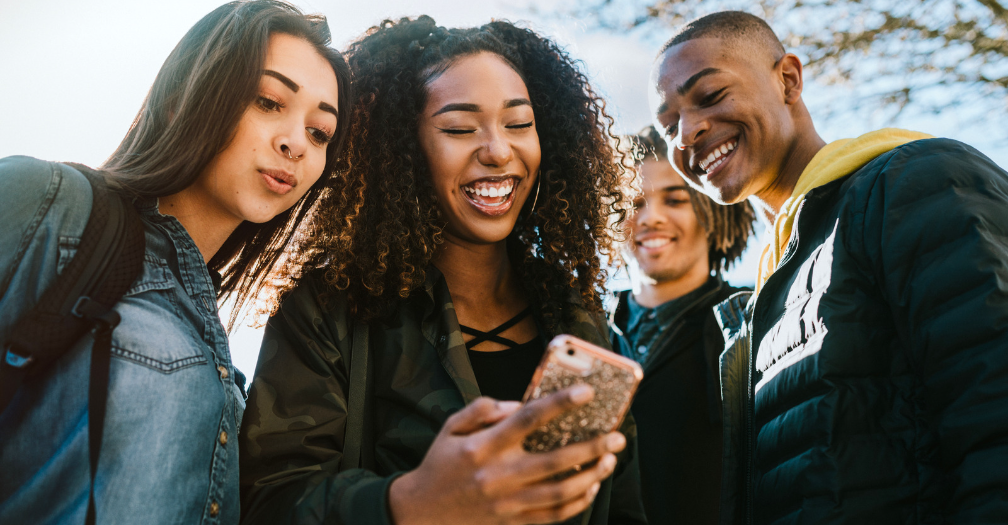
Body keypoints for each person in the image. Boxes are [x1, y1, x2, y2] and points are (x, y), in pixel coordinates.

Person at [238, 15, 646, 525]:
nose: (499, 151)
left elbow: (623, 507)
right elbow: (266, 502)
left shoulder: (577, 313)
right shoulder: (330, 306)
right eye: (458, 128)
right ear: (404, 150)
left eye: (519, 124)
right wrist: (409, 503)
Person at [649, 10, 1008, 525]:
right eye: (668, 125)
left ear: (788, 80)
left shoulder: (914, 183)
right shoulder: (768, 292)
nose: (686, 134)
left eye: (709, 97)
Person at [0, 1, 351, 523]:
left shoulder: (224, 366)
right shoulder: (50, 203)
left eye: (320, 132)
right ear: (186, 95)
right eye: (268, 100)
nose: (296, 143)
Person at [608, 125, 754, 524]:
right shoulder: (580, 328)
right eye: (635, 202)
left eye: (675, 200)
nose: (651, 218)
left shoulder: (754, 320)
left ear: (714, 210)